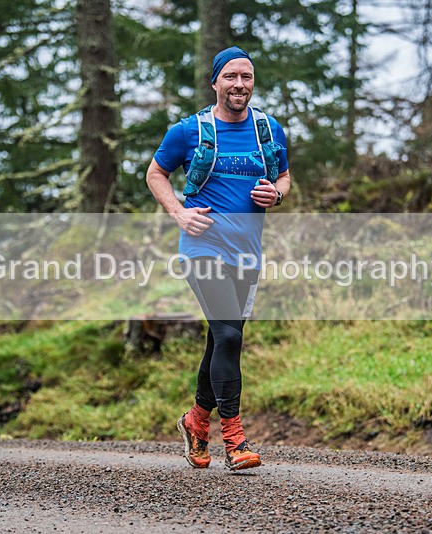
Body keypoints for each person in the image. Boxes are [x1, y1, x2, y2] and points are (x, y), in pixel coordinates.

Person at [146, 46, 291, 471]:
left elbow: (284, 176)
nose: (239, 84)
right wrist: (179, 213)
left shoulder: (268, 129)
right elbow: (156, 173)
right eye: (230, 76)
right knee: (229, 336)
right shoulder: (189, 131)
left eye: (246, 76)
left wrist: (277, 193)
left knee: (221, 338)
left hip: (247, 254)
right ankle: (234, 440)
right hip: (202, 249)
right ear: (215, 83)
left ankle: (195, 420)